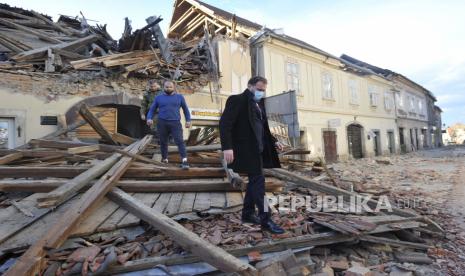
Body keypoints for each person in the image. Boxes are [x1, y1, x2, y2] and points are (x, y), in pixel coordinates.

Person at [219, 76, 285, 234]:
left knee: (255, 183)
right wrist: (227, 147)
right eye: (259, 89)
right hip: (245, 150)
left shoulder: (259, 104)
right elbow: (224, 124)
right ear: (250, 86)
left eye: (263, 90)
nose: (261, 92)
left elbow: (262, 127)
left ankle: (248, 213)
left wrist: (274, 141)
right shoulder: (237, 100)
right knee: (259, 185)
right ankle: (266, 219)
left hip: (259, 150)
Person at [147, 80, 191, 169]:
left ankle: (185, 161)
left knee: (180, 141)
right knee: (163, 142)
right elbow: (152, 110)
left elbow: (186, 110)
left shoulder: (180, 97)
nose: (168, 88)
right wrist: (149, 118)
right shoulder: (158, 98)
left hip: (175, 123)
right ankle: (165, 159)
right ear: (164, 87)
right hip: (162, 123)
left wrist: (188, 120)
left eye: (170, 87)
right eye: (167, 87)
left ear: (174, 87)